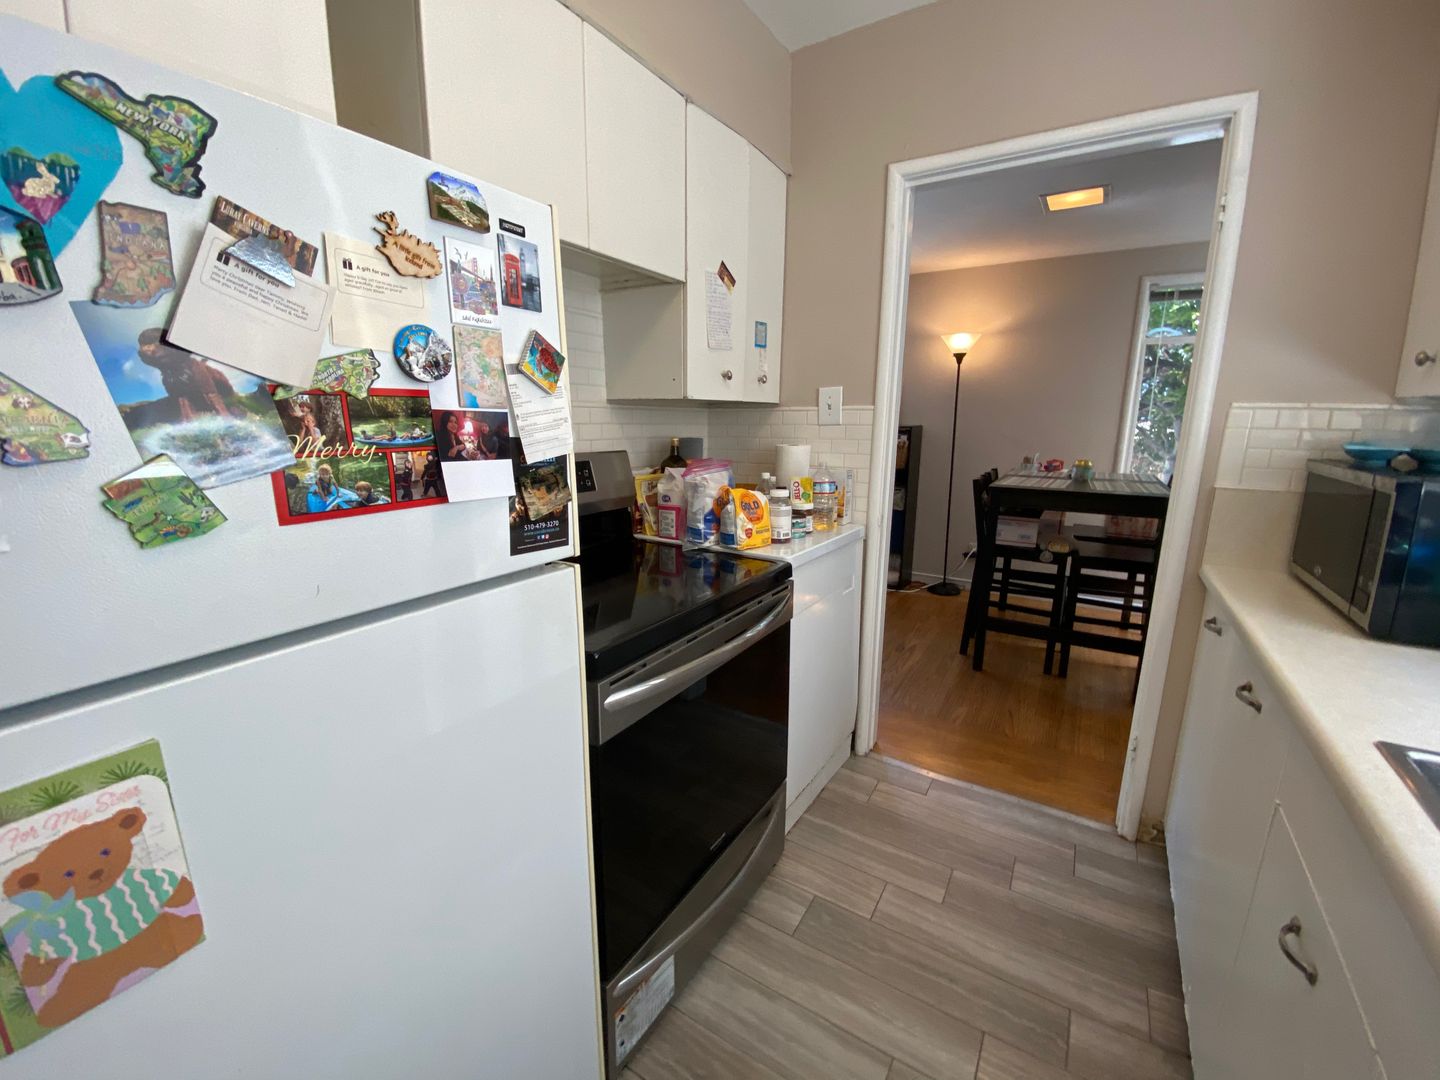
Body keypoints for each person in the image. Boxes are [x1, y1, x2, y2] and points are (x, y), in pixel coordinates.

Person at [136, 328, 238, 422]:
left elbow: (212, 393)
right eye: (146, 346)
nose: (150, 349)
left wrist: (225, 414)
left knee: (215, 394)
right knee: (182, 399)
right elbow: (180, 398)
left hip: (200, 376)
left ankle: (230, 413)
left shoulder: (196, 367)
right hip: (174, 376)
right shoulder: (167, 377)